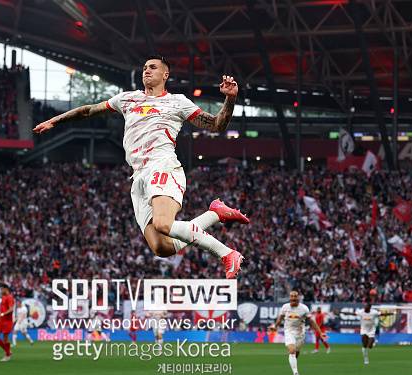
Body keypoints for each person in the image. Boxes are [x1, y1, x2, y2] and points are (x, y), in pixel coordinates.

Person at [33, 55, 250, 278]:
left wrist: (230, 99)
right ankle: (215, 213)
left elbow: (216, 125)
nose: (147, 70)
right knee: (162, 248)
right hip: (138, 176)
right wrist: (54, 120)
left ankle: (227, 253)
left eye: (153, 67)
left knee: (163, 224)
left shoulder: (178, 102)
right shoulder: (127, 99)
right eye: (145, 67)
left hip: (163, 166)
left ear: (165, 75)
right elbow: (89, 110)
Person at [274, 291, 327, 375]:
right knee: (292, 350)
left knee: (296, 352)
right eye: (291, 296)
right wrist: (275, 327)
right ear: (290, 298)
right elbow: (280, 318)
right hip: (289, 331)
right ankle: (296, 373)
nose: (293, 298)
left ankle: (294, 360)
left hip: (300, 333)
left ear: (298, 298)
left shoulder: (304, 308)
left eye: (295, 296)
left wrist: (320, 332)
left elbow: (311, 321)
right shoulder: (285, 307)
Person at [0, 285, 15, 362]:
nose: (1, 291)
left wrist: (3, 314)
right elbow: (2, 308)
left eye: (2, 289)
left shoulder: (10, 297)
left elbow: (11, 309)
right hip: (1, 320)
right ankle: (8, 351)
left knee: (5, 338)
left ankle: (7, 355)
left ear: (6, 289)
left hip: (7, 321)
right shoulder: (3, 297)